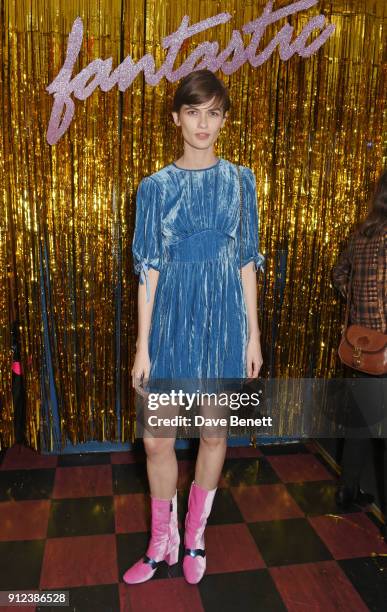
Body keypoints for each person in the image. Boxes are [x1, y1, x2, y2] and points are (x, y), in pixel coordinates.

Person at [123, 69, 264, 585]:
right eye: (193, 111)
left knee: (213, 431)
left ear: (224, 120)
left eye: (214, 113)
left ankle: (195, 536)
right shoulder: (154, 188)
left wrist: (254, 335)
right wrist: (143, 347)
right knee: (157, 441)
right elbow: (148, 272)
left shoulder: (240, 180)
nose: (203, 123)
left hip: (223, 322)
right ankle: (162, 541)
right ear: (177, 116)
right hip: (170, 324)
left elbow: (247, 262)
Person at [332, 168, 387, 543]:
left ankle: (347, 492)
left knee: (361, 427)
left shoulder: (361, 234)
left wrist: (361, 312)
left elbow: (339, 275)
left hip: (360, 347)